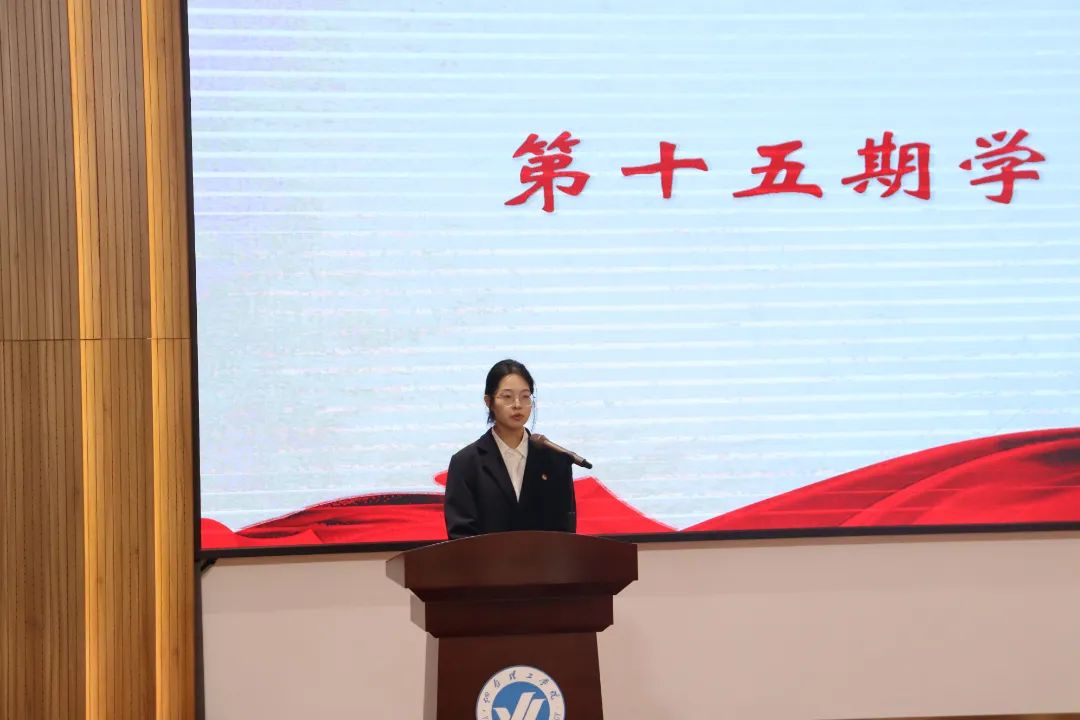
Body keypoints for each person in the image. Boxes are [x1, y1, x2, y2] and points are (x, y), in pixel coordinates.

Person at [444, 359, 577, 539]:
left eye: (525, 396)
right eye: (507, 397)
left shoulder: (556, 460)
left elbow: (565, 534)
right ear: (489, 401)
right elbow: (461, 534)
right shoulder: (466, 463)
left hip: (542, 557)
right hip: (486, 558)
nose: (517, 404)